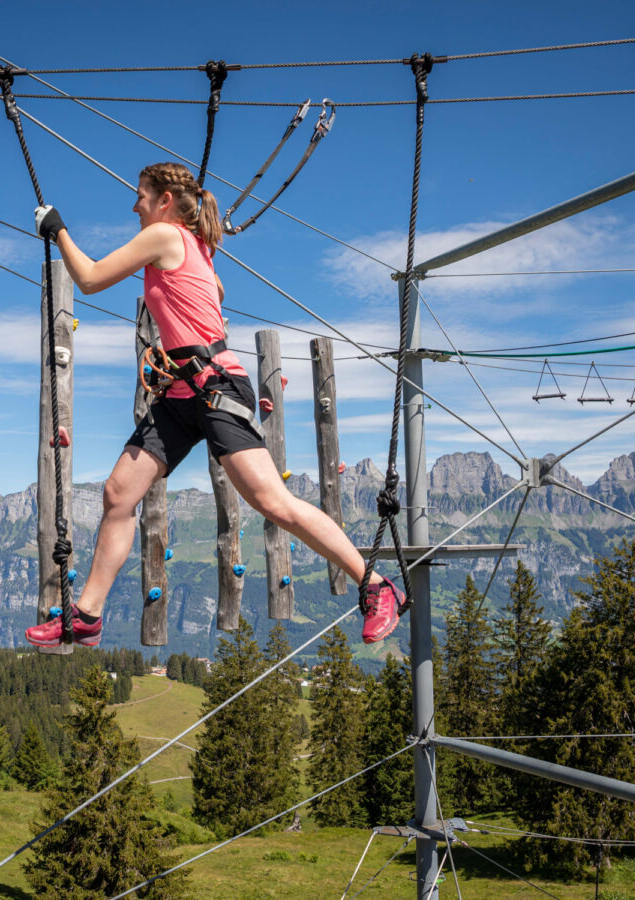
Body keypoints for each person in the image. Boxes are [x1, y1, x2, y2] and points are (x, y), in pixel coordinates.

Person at [25, 162, 404, 647]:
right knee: (119, 493)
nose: (134, 204)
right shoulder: (196, 247)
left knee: (273, 503)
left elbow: (92, 279)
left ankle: (375, 585)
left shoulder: (164, 233)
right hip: (185, 388)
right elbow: (214, 292)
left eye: (141, 195)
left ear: (164, 201)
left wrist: (57, 229)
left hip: (215, 386)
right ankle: (88, 616)